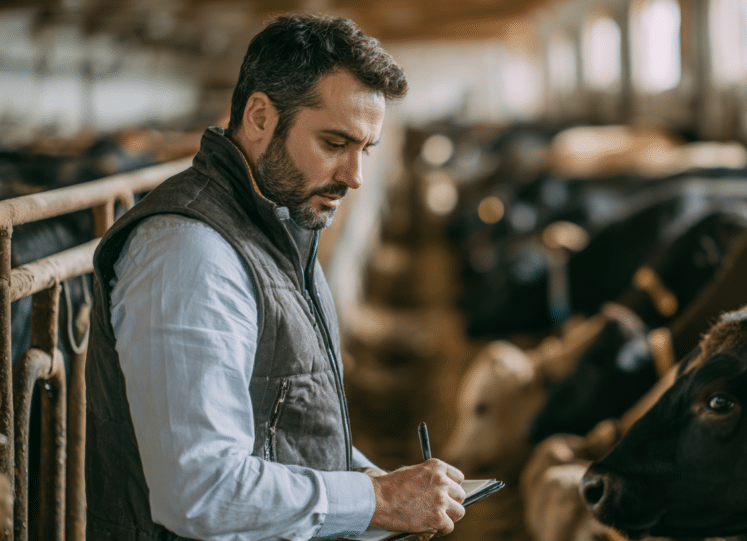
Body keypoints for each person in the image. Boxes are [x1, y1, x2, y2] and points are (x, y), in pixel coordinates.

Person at [85, 14, 466, 541]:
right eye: (335, 143)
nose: (355, 176)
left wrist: (370, 480)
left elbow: (280, 417)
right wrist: (376, 501)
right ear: (261, 117)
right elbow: (201, 490)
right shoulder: (189, 254)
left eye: (365, 149)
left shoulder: (275, 226)